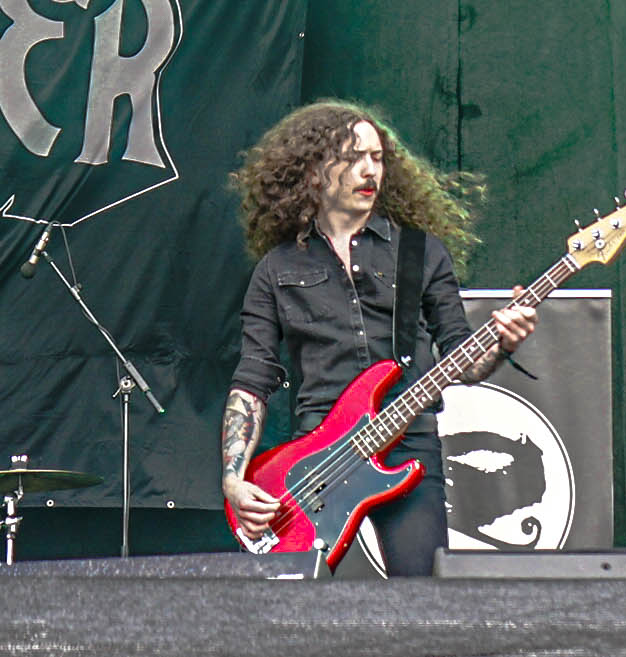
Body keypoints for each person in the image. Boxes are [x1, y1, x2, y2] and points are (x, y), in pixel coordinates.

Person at [221, 101, 537, 577]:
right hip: (314, 463)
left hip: (409, 443)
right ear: (313, 172)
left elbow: (463, 358)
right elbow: (253, 380)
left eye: (377, 157)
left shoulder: (420, 252)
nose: (370, 170)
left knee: (422, 597)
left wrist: (503, 341)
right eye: (353, 158)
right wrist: (233, 479)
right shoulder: (277, 268)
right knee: (297, 609)